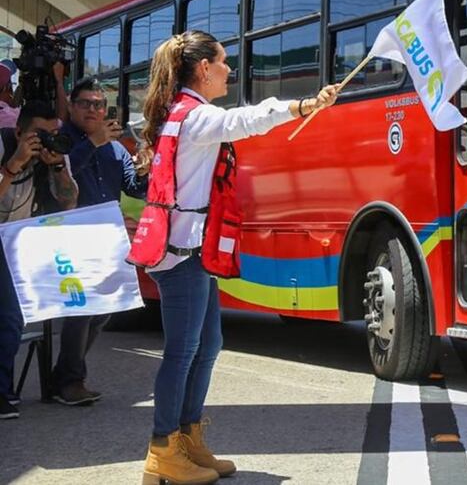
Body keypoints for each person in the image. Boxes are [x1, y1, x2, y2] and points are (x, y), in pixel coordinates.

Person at [130, 31, 339, 484]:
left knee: (207, 347)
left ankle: (188, 437)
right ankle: (163, 448)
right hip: (182, 252)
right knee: (183, 352)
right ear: (203, 68)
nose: (229, 69)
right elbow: (246, 120)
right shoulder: (197, 116)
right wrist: (303, 106)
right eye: (224, 62)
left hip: (190, 251)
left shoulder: (183, 111)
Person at [47, 78, 149, 406]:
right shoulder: (62, 141)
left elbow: (134, 188)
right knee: (82, 309)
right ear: (72, 107)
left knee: (103, 310)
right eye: (86, 103)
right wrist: (92, 142)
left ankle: (63, 375)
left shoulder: (116, 147)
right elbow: (62, 175)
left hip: (107, 236)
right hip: (73, 233)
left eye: (99, 105)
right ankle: (71, 380)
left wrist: (146, 170)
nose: (93, 109)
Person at [0, 101, 79, 420]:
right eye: (39, 135)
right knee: (10, 316)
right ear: (19, 131)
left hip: (20, 240)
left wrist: (58, 166)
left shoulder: (56, 154)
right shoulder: (4, 146)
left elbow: (69, 201)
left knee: (12, 316)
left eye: (53, 134)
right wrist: (13, 164)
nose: (48, 140)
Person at [0, 58, 70, 128]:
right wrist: (59, 82)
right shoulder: (14, 117)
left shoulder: (10, 115)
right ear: (6, 88)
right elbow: (61, 122)